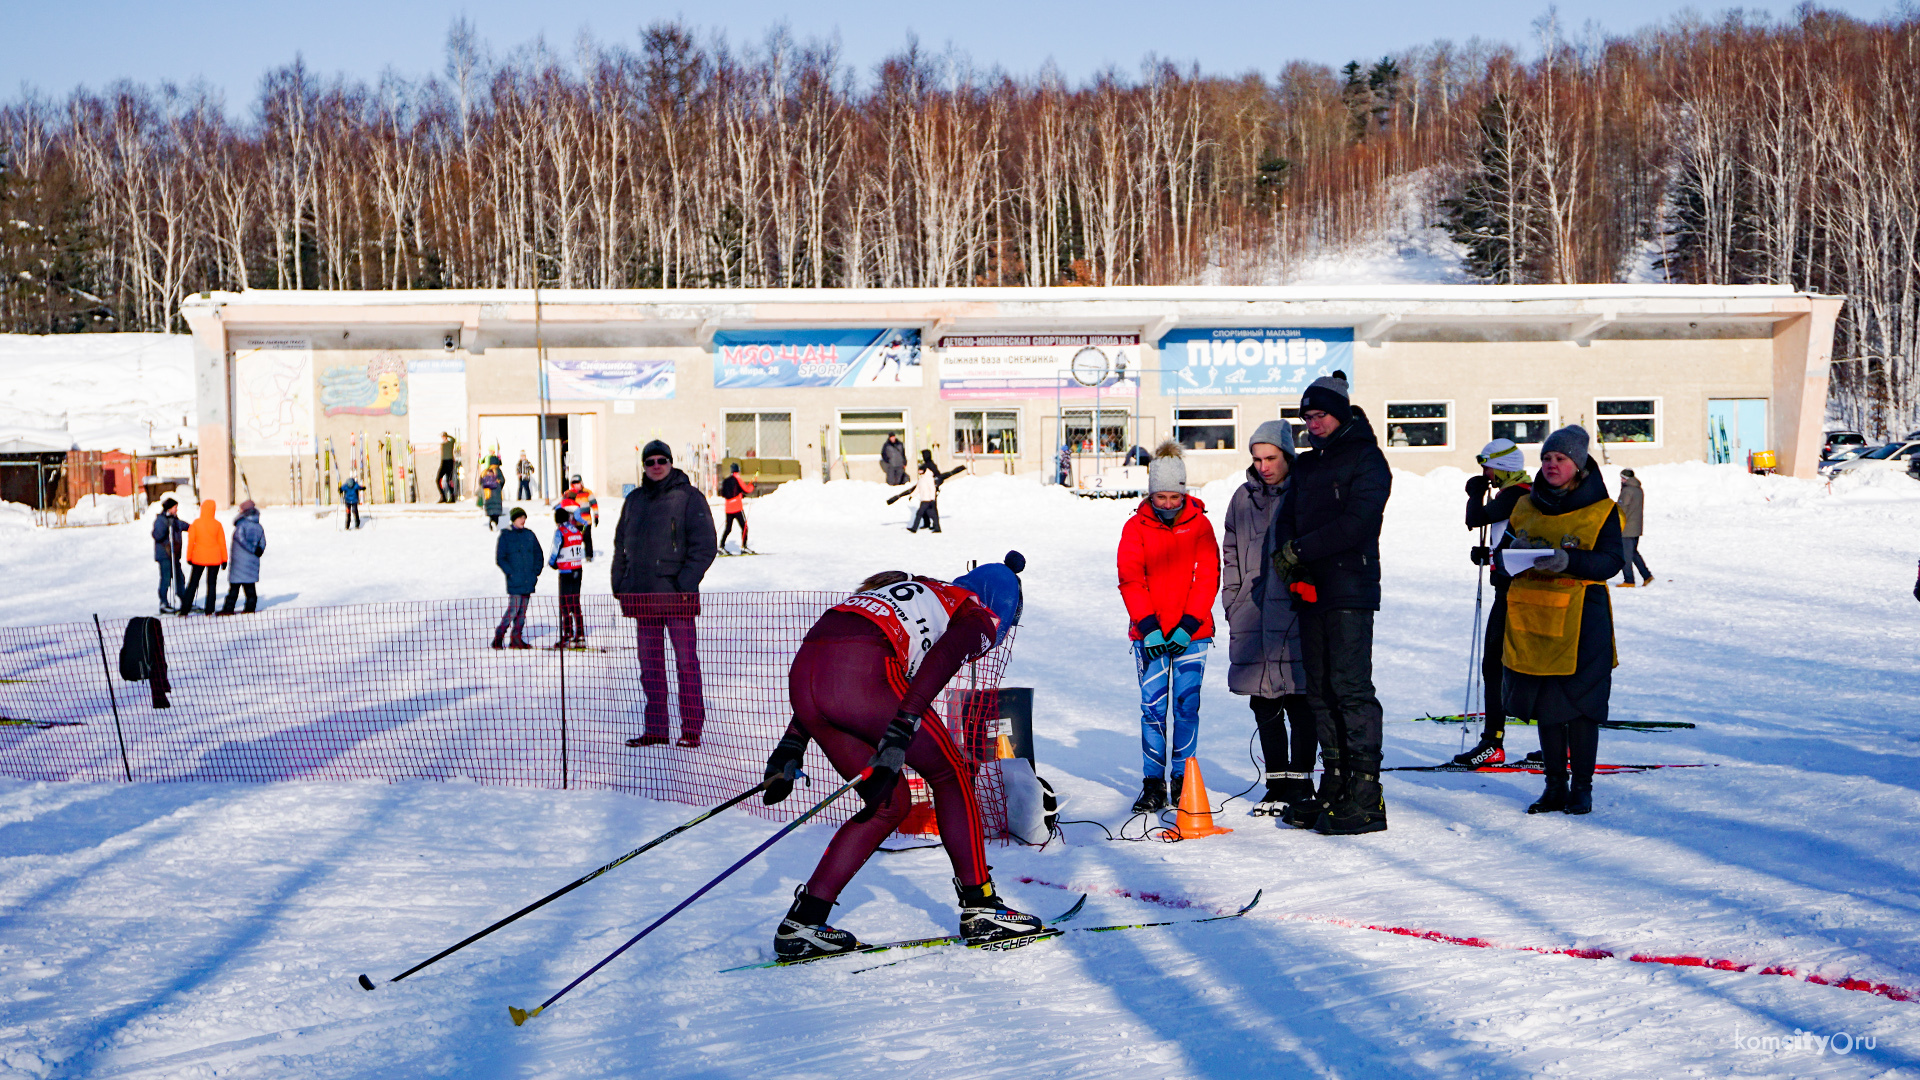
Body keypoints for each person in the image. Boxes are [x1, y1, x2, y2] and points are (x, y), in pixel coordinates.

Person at [763, 555, 1040, 959]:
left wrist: (792, 742)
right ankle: (981, 907)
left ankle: (804, 922)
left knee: (888, 804)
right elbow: (940, 661)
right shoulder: (974, 610)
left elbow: (831, 659)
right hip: (860, 676)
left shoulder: (920, 591)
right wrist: (903, 723)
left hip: (806, 679)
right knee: (953, 773)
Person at [1270, 372, 1393, 835]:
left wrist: (1300, 551)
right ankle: (1335, 782)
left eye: (1319, 415)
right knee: (1319, 690)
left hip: (1350, 590)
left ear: (1339, 414)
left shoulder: (1366, 459)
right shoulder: (1308, 464)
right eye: (1306, 416)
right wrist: (1292, 564)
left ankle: (1366, 792)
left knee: (1349, 687)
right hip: (1312, 591)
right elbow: (1288, 520)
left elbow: (1357, 523)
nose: (1312, 423)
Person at [1496, 425, 1622, 817]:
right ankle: (1554, 787)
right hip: (1532, 621)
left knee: (1579, 707)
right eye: (1547, 458)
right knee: (1548, 707)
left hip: (1584, 622)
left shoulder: (1602, 510)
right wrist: (1511, 555)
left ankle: (1581, 789)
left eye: (1561, 459)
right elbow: (1499, 564)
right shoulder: (1523, 506)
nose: (1551, 465)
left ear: (1579, 466)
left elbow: (1611, 562)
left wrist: (1571, 560)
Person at [1117, 440, 1220, 813]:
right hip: (1151, 637)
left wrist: (1188, 625)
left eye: (1172, 498)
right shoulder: (1135, 528)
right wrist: (1149, 627)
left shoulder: (1201, 526)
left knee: (1186, 706)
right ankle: (1153, 782)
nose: (1166, 505)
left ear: (1183, 494)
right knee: (1153, 709)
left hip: (1192, 636)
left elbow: (1207, 577)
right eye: (1158, 498)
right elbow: (1131, 579)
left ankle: (1183, 778)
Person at [1223, 421, 1314, 817]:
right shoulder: (1242, 499)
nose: (1263, 466)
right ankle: (1275, 782)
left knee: (1299, 698)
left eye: (1271, 457)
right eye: (1257, 459)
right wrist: (1233, 600)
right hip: (1253, 614)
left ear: (1287, 456)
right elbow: (1229, 551)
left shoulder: (1304, 493)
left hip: (1296, 612)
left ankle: (1301, 781)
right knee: (1263, 701)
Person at [613, 440, 717, 748]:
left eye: (662, 460)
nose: (656, 465)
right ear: (644, 466)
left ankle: (690, 730)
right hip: (643, 596)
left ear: (671, 463)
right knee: (650, 667)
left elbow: (705, 546)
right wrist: (621, 583)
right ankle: (656, 729)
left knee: (686, 664)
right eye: (650, 461)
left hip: (677, 597)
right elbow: (621, 545)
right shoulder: (634, 500)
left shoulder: (689, 498)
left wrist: (684, 582)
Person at [1452, 439, 1533, 766]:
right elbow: (1510, 539)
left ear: (1503, 467)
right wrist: (1490, 555)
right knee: (1500, 666)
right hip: (1510, 588)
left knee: (1502, 666)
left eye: (1488, 467)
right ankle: (1497, 740)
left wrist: (1474, 493)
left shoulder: (1516, 493)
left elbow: (1477, 518)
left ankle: (1494, 742)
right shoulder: (1515, 493)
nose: (1485, 473)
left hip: (1517, 594)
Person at [492, 507, 543, 649]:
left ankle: (516, 639)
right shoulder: (505, 535)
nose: (523, 520)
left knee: (522, 612)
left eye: (524, 517)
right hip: (515, 581)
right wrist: (511, 573)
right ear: (514, 519)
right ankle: (499, 636)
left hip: (528, 580)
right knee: (513, 609)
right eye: (520, 517)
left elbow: (539, 554)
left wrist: (535, 573)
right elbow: (500, 558)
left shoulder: (529, 534)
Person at [179, 499, 227, 617]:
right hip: (215, 558)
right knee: (212, 584)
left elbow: (191, 542)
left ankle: (185, 609)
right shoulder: (218, 525)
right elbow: (222, 543)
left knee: (193, 584)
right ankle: (209, 610)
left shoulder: (196, 523)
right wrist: (224, 559)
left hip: (199, 557)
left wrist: (189, 557)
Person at [219, 500, 266, 615]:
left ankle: (228, 609)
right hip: (252, 562)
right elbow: (263, 542)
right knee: (250, 587)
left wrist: (251, 548)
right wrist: (258, 550)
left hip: (239, 561)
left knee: (234, 588)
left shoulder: (241, 525)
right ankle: (250, 608)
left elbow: (240, 539)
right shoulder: (258, 526)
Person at [550, 505, 586, 648]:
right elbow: (585, 525)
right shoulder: (576, 530)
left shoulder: (560, 531)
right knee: (575, 602)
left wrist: (552, 563)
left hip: (565, 571)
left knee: (565, 603)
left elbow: (555, 548)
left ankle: (568, 634)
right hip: (578, 569)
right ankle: (580, 634)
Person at [1615, 468, 1654, 587]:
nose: (1621, 480)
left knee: (1625, 555)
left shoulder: (1627, 491)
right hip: (1636, 527)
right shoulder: (1638, 489)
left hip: (1627, 528)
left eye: (1622, 478)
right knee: (1633, 553)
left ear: (1626, 479)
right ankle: (1647, 576)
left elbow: (1622, 509)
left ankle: (1629, 580)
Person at [151, 496, 187, 613]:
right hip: (165, 555)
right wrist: (167, 525)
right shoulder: (161, 520)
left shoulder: (175, 520)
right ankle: (163, 603)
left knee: (179, 578)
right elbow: (157, 535)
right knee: (166, 578)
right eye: (175, 507)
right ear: (169, 508)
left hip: (174, 555)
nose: (176, 509)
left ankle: (184, 600)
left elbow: (186, 526)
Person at [719, 462, 755, 552]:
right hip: (737, 508)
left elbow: (724, 493)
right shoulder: (737, 478)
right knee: (744, 527)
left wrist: (740, 494)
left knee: (728, 528)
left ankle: (721, 545)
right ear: (738, 470)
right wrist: (752, 486)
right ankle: (744, 546)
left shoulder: (726, 480)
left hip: (728, 508)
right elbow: (746, 489)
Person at [563, 475, 599, 559]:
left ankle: (589, 555)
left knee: (587, 537)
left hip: (586, 521)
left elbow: (594, 504)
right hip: (574, 522)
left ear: (581, 483)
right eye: (574, 483)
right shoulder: (569, 493)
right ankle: (574, 555)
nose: (577, 485)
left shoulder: (587, 492)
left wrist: (596, 516)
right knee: (573, 539)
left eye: (578, 483)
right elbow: (564, 505)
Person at [907, 462, 940, 533]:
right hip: (924, 499)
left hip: (928, 500)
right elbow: (918, 488)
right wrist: (912, 495)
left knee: (920, 513)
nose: (919, 472)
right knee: (931, 514)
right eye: (919, 470)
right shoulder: (921, 478)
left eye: (921, 470)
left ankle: (914, 528)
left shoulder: (929, 478)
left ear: (924, 470)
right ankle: (937, 527)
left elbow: (932, 489)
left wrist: (932, 499)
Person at [479, 464, 505, 530]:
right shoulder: (498, 473)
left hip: (489, 497)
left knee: (491, 512)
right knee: (496, 513)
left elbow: (480, 482)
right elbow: (503, 481)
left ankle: (491, 524)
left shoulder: (484, 473)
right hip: (497, 497)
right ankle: (495, 523)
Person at [437, 432, 458, 502]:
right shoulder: (442, 444)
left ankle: (452, 497)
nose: (443, 438)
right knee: (437, 480)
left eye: (444, 436)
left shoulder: (450, 443)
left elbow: (454, 439)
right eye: (442, 436)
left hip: (449, 462)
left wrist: (448, 435)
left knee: (449, 480)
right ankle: (443, 496)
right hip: (443, 462)